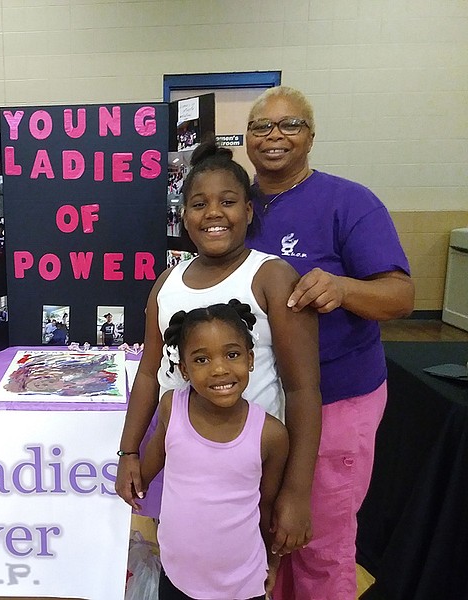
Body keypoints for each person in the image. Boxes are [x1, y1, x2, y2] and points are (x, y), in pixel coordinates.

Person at [243, 86, 414, 600]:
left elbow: (401, 295)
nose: (274, 136)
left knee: (318, 543)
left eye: (289, 125)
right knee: (269, 538)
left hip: (338, 399)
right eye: (260, 126)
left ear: (311, 137)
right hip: (262, 404)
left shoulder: (349, 202)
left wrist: (343, 288)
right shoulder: (236, 205)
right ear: (245, 139)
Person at [116, 142, 321, 562]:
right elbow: (148, 374)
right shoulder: (167, 283)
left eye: (227, 201)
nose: (213, 213)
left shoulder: (271, 276)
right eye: (198, 204)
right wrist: (130, 450)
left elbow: (303, 390)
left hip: (248, 472)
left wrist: (297, 492)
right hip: (184, 466)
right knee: (181, 556)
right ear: (184, 216)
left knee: (246, 570)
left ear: (248, 210)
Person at [140, 302, 288, 600]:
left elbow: (266, 507)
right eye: (201, 359)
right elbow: (147, 471)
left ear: (250, 359)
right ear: (184, 369)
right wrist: (128, 462)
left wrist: (272, 561)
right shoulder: (172, 407)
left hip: (241, 585)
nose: (219, 369)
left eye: (231, 355)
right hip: (176, 576)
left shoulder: (271, 434)